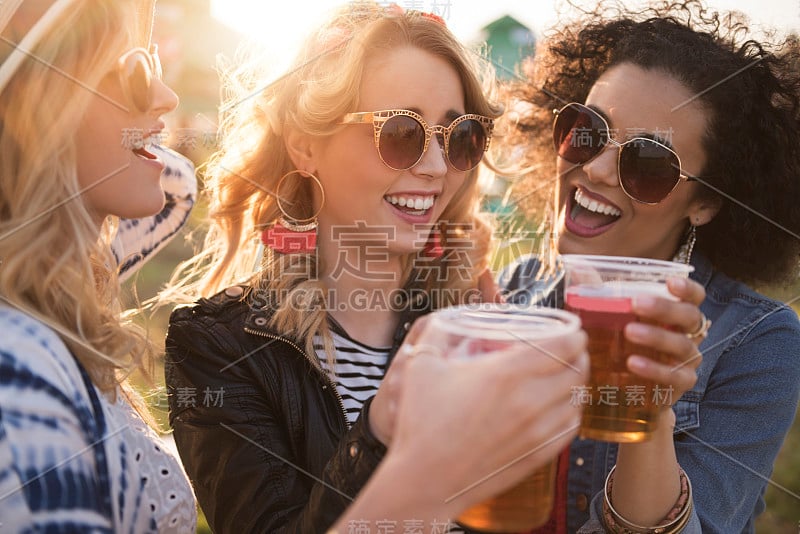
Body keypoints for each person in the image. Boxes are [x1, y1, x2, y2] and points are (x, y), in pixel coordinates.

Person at [163, 3, 593, 532]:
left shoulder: (481, 322)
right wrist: (383, 423)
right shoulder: (217, 347)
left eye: (458, 136)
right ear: (304, 145)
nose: (436, 167)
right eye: (402, 134)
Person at [499, 1, 800, 532]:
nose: (593, 169)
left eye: (647, 162)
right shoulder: (507, 293)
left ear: (704, 203)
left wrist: (648, 410)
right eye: (587, 130)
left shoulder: (759, 342)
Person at [0, 0, 197, 530]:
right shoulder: (14, 369)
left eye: (154, 63)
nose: (167, 95)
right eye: (134, 71)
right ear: (41, 109)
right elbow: (178, 187)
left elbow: (178, 187)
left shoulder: (51, 286)